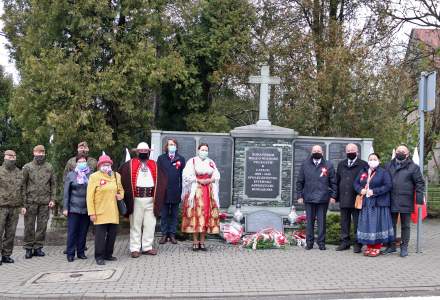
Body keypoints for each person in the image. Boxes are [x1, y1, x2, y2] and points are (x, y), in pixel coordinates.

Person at [119, 142, 159, 258]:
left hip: (151, 198)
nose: (143, 153)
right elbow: (122, 179)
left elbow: (161, 181)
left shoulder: (154, 165)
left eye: (145, 151)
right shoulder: (129, 165)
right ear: (137, 152)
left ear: (148, 152)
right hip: (136, 199)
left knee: (150, 224)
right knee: (135, 224)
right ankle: (135, 248)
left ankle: (147, 247)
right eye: (141, 151)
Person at [384, 144, 425, 257]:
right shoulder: (388, 165)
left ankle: (404, 247)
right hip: (390, 199)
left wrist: (419, 200)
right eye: (398, 150)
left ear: (407, 154)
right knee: (390, 224)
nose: (400, 152)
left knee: (405, 225)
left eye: (403, 151)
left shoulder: (413, 167)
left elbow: (420, 183)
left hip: (406, 199)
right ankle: (391, 246)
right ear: (395, 152)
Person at [181, 143, 220, 251]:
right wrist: (198, 180)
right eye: (202, 150)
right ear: (198, 150)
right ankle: (195, 241)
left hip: (208, 190)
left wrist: (210, 180)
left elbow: (217, 175)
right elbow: (186, 175)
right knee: (196, 215)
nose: (204, 152)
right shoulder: (192, 161)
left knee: (206, 215)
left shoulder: (211, 162)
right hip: (196, 190)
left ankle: (202, 242)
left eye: (206, 150)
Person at [296, 145, 336, 250]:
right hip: (309, 197)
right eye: (314, 151)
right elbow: (300, 181)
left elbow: (333, 182)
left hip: (323, 198)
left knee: (321, 222)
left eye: (318, 151)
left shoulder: (329, 164)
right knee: (309, 222)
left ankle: (321, 243)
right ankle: (309, 243)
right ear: (311, 152)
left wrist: (333, 195)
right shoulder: (305, 164)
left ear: (322, 153)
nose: (316, 152)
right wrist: (299, 195)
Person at [86, 154, 124, 265]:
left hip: (113, 211)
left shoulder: (116, 176)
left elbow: (121, 190)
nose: (106, 166)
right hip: (99, 212)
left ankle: (108, 254)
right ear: (99, 165)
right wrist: (91, 212)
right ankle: (99, 256)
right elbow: (89, 197)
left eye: (108, 164)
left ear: (111, 165)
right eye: (103, 164)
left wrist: (121, 196)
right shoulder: (94, 177)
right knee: (100, 237)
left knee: (112, 235)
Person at [354, 153, 394, 257]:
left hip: (379, 203)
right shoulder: (363, 171)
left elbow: (388, 186)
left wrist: (374, 191)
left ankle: (376, 247)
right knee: (367, 224)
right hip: (366, 203)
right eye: (370, 159)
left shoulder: (383, 172)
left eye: (374, 159)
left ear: (379, 161)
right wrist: (360, 189)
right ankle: (369, 246)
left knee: (377, 224)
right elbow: (355, 183)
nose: (372, 160)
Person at [22, 145, 56, 259]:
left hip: (44, 202)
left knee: (42, 226)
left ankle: (38, 248)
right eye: (38, 152)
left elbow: (53, 184)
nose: (40, 154)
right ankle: (28, 248)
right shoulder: (27, 167)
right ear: (34, 152)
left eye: (42, 152)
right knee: (29, 226)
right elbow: (23, 185)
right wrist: (23, 203)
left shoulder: (49, 167)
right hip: (30, 202)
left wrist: (52, 199)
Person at [335, 144, 368, 252]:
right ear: (346, 152)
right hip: (344, 197)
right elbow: (337, 181)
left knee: (357, 222)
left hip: (357, 198)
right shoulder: (341, 164)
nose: (350, 152)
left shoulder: (363, 164)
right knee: (344, 222)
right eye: (348, 150)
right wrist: (335, 196)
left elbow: (367, 181)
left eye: (352, 150)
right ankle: (345, 242)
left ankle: (358, 243)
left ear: (357, 152)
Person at [156, 138, 186, 244]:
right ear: (166, 147)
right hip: (164, 191)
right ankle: (164, 234)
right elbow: (158, 175)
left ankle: (172, 234)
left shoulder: (181, 159)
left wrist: (183, 191)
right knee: (164, 214)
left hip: (175, 191)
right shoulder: (161, 158)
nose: (171, 146)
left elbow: (183, 177)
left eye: (173, 144)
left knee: (174, 214)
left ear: (176, 146)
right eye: (169, 144)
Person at [63, 154, 91, 262]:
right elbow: (66, 193)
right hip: (73, 208)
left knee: (83, 232)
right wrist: (65, 208)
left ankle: (81, 252)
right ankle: (70, 253)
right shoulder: (71, 175)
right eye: (80, 161)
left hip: (86, 208)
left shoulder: (90, 175)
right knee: (72, 232)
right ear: (76, 163)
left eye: (84, 161)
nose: (82, 163)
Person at [0, 150, 26, 265]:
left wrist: (23, 205)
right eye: (9, 156)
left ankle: (6, 255)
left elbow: (23, 190)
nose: (12, 158)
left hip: (15, 207)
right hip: (1, 206)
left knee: (10, 233)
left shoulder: (19, 172)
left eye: (14, 156)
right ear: (4, 157)